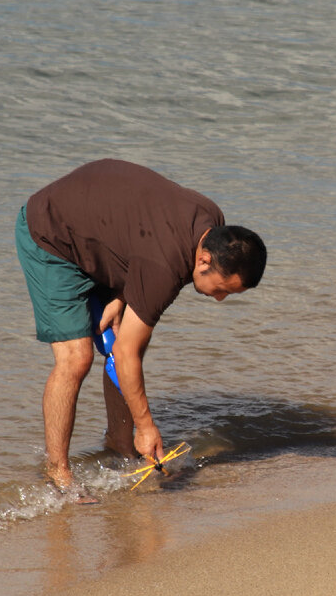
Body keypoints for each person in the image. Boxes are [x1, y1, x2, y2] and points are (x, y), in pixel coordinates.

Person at [16, 159, 267, 496]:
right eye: (222, 289)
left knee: (128, 338)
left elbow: (142, 241)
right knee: (77, 359)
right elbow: (125, 352)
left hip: (99, 232)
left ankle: (120, 445)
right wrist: (147, 426)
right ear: (204, 260)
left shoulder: (212, 223)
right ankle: (57, 474)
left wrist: (123, 294)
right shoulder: (163, 265)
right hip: (51, 233)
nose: (221, 299)